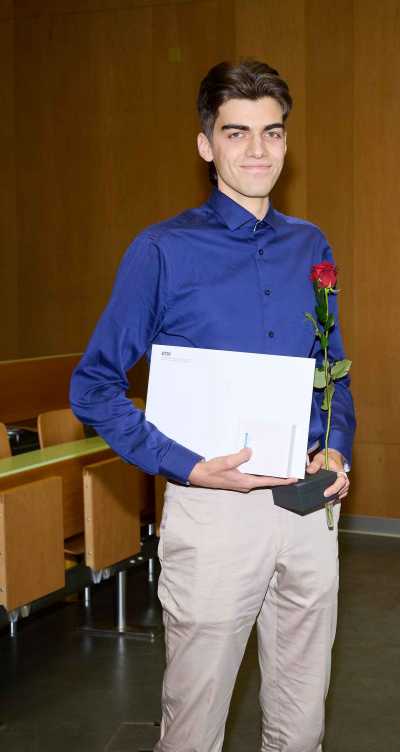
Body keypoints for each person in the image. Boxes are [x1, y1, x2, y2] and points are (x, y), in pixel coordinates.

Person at [70, 60, 355, 752]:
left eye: (272, 132)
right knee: (195, 727)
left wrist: (335, 445)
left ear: (287, 142)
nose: (258, 150)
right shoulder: (161, 250)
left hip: (307, 508)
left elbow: (333, 375)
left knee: (302, 724)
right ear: (206, 144)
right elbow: (94, 385)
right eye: (237, 132)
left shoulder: (309, 245)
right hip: (214, 515)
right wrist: (189, 467)